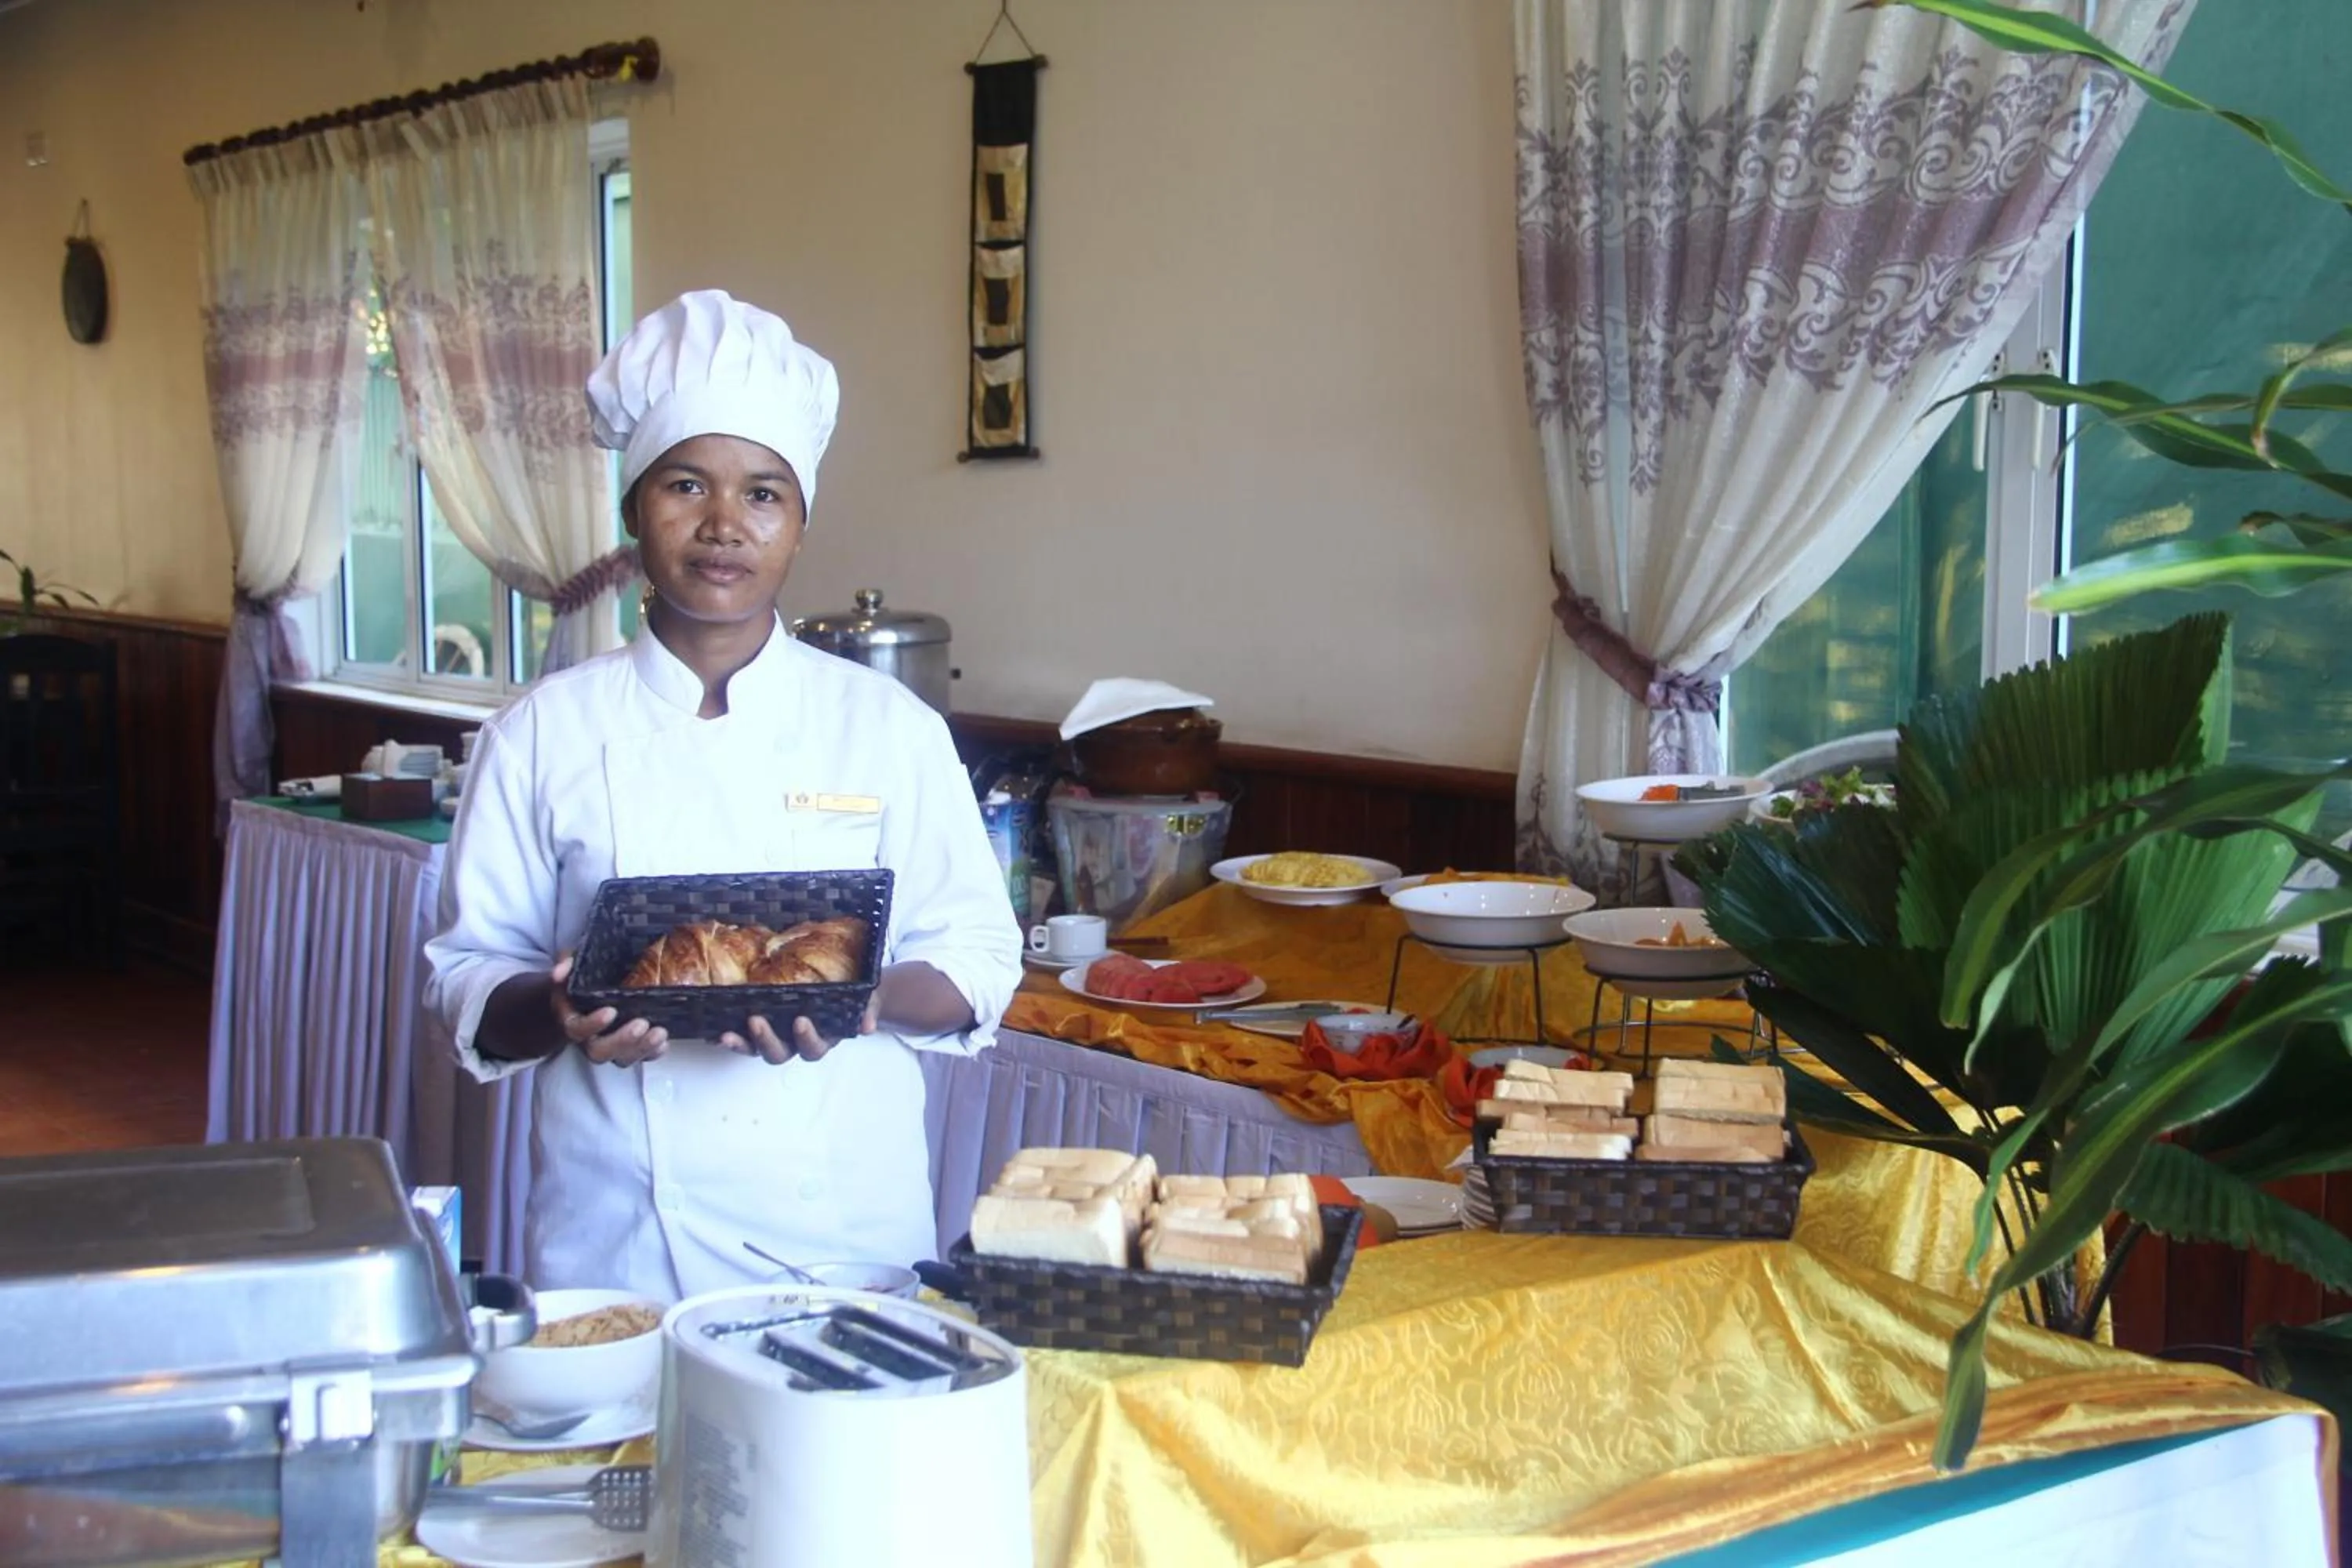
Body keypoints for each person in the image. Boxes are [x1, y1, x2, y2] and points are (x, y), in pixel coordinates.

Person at [423, 289, 1022, 1301]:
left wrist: (863, 996)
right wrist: (561, 1007)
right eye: (686, 485)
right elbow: (468, 979)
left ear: (799, 525)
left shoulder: (888, 729)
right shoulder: (542, 733)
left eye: (763, 494)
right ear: (632, 512)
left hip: (840, 1227)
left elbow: (979, 958)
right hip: (617, 1229)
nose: (722, 526)